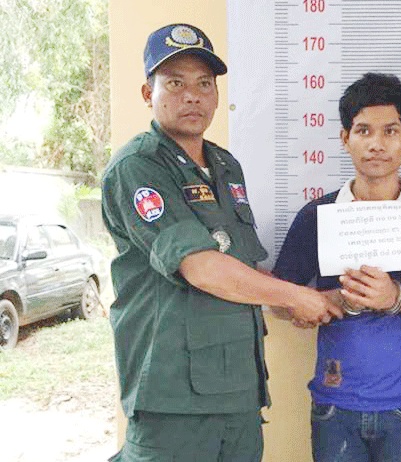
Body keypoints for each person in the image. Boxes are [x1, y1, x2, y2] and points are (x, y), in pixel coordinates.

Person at [101, 23, 342, 462]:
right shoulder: (139, 167)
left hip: (239, 391)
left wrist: (305, 300)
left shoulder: (225, 165)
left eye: (204, 84)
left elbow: (240, 267)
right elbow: (202, 267)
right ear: (147, 93)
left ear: (215, 95)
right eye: (175, 83)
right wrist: (294, 296)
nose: (192, 96)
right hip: (173, 398)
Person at [271, 72, 401, 462]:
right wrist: (333, 301)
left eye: (390, 131)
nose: (377, 144)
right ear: (345, 138)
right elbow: (280, 301)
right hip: (335, 400)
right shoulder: (318, 215)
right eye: (363, 130)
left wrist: (397, 296)